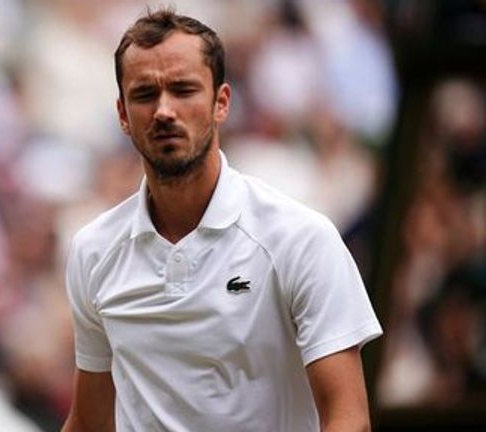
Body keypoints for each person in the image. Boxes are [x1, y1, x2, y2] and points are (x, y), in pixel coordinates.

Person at [61, 8, 382, 432]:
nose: (163, 110)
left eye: (183, 90)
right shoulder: (93, 251)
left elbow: (348, 418)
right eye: (144, 95)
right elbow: (88, 423)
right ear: (122, 114)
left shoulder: (301, 239)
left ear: (221, 103)